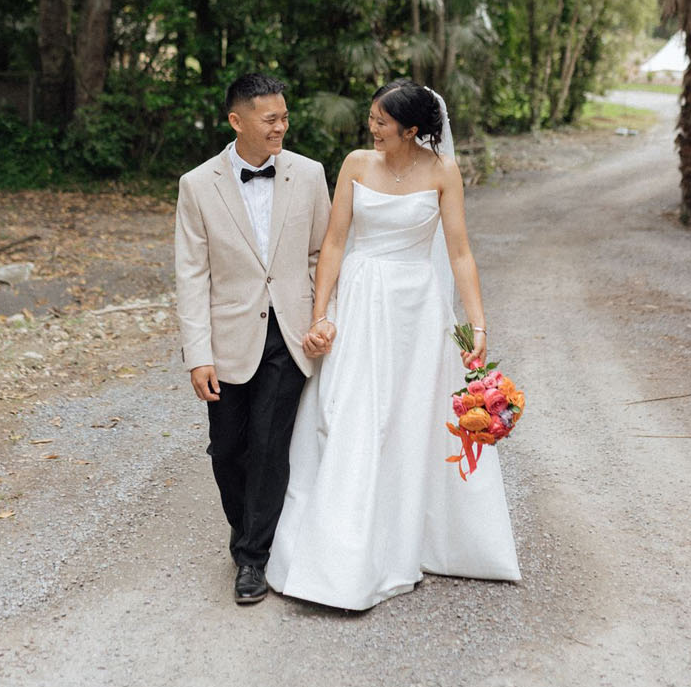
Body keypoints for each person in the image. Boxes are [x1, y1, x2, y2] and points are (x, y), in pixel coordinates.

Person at [266, 78, 520, 611]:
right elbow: (335, 243)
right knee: (352, 413)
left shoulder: (443, 171)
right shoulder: (356, 164)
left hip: (416, 310)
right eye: (372, 119)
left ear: (411, 129)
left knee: (408, 419)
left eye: (381, 122)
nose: (372, 128)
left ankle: (404, 538)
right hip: (360, 301)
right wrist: (321, 315)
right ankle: (338, 554)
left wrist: (477, 325)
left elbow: (460, 253)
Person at [175, 72, 331, 605]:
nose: (281, 127)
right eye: (270, 119)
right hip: (227, 339)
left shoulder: (309, 174)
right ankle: (246, 531)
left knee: (268, 445)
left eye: (284, 117)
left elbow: (323, 256)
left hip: (290, 334)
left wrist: (321, 318)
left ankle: (253, 559)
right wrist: (198, 355)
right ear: (236, 121)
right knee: (227, 450)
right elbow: (191, 275)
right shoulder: (197, 184)